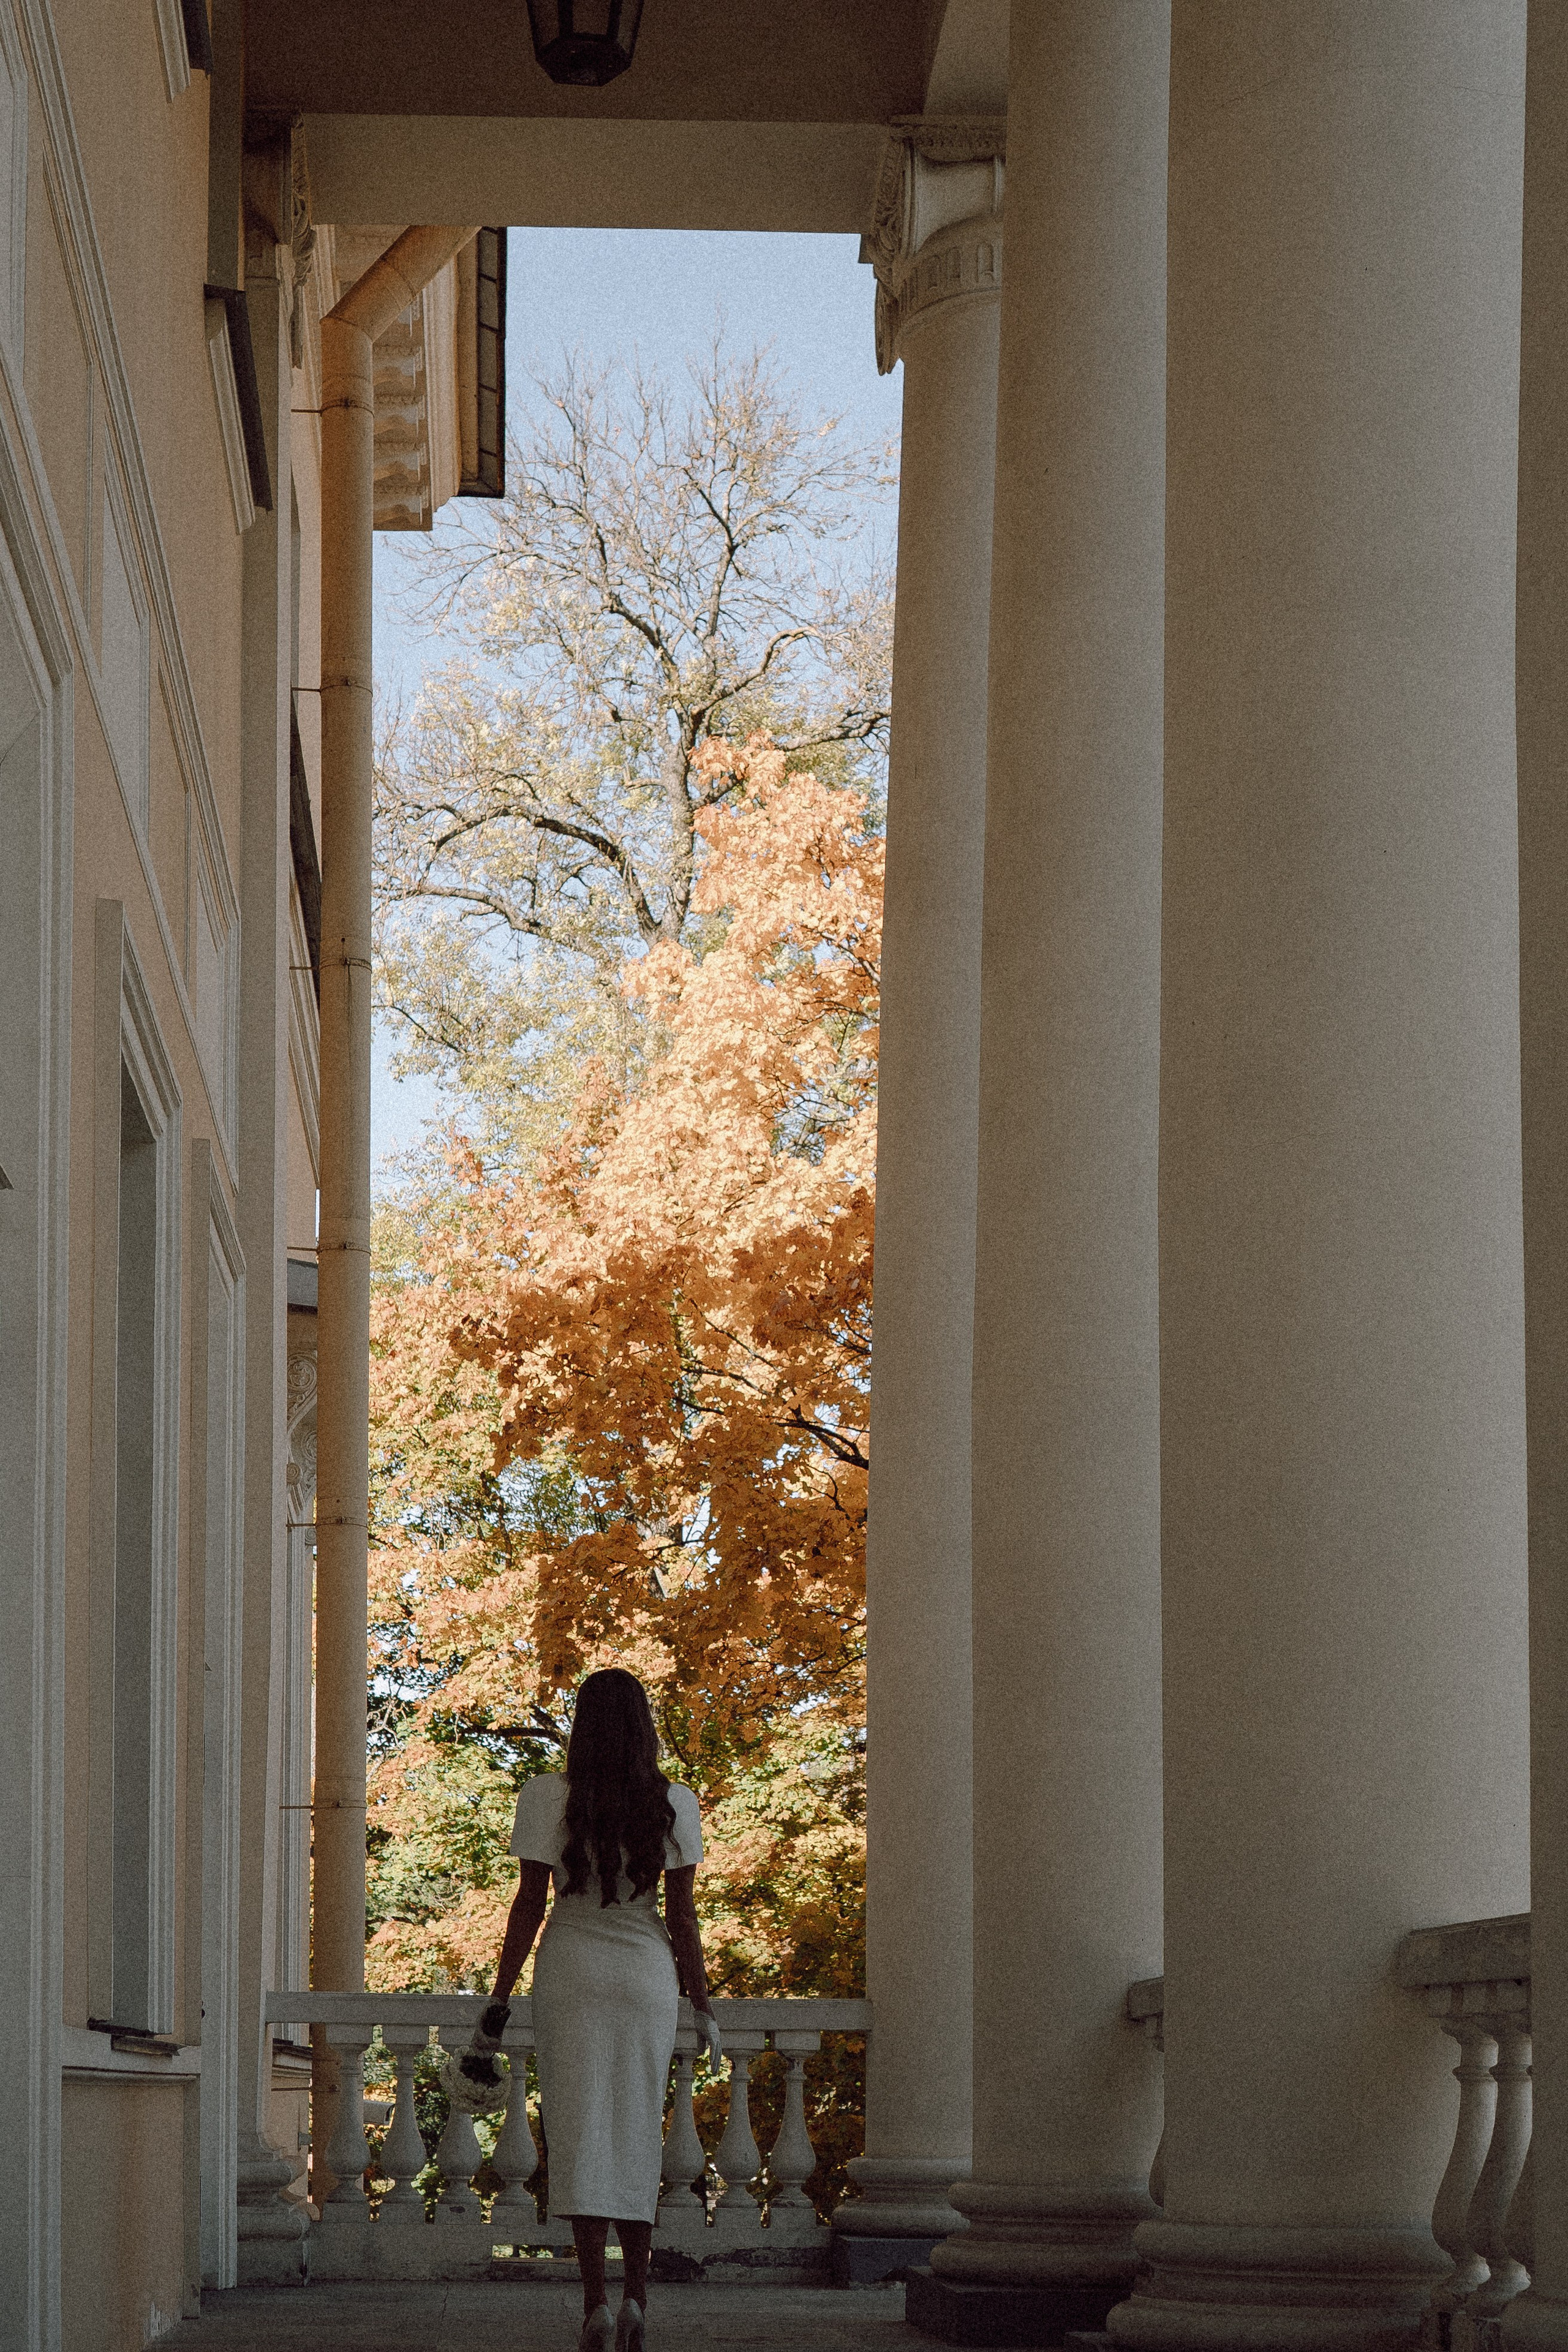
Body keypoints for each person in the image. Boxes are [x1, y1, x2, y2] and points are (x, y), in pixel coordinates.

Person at [463, 1667, 721, 2352]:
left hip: (570, 1970)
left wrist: (498, 1996)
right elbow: (684, 1920)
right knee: (637, 2132)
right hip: (643, 1978)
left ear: (583, 1724)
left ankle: (595, 2306)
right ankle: (638, 2298)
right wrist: (703, 2007)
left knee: (577, 2135)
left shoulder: (547, 1796)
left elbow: (527, 1905)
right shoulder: (674, 1802)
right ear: (644, 1727)